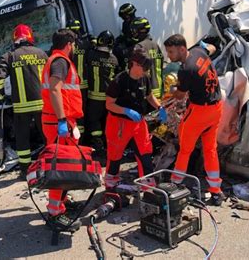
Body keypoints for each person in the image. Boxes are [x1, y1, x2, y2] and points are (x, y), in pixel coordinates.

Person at [163, 34, 225, 206]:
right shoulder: (199, 51)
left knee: (185, 149)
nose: (169, 56)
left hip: (199, 112)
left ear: (182, 49)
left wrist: (171, 91)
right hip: (217, 108)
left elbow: (180, 95)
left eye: (171, 52)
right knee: (210, 149)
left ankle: (175, 184)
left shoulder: (185, 70)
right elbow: (211, 48)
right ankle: (216, 191)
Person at [104, 48, 167, 191]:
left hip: (138, 122)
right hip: (118, 123)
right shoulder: (119, 81)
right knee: (115, 153)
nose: (146, 71)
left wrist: (159, 107)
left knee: (145, 151)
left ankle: (147, 183)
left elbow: (149, 96)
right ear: (135, 64)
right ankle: (111, 181)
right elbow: (109, 104)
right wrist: (126, 111)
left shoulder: (145, 78)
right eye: (144, 68)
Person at [0, 24, 48, 179]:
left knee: (22, 139)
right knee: (48, 136)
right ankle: (52, 166)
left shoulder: (10, 56)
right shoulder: (42, 54)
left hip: (21, 107)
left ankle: (26, 171)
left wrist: (0, 95)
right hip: (43, 104)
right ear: (30, 37)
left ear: (15, 39)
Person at [41, 28, 83, 231]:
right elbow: (55, 89)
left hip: (59, 119)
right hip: (58, 121)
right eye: (73, 44)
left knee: (64, 165)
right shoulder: (60, 61)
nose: (74, 48)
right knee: (61, 166)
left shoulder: (55, 60)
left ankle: (59, 204)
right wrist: (62, 120)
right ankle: (55, 212)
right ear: (69, 44)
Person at [85, 30, 118, 151]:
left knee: (94, 121)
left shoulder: (91, 55)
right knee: (106, 121)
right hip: (109, 97)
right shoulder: (114, 59)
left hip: (94, 96)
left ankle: (97, 144)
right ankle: (107, 143)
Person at [65, 19, 91, 135]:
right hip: (84, 84)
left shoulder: (68, 46)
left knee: (73, 111)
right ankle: (85, 136)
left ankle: (76, 136)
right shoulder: (86, 43)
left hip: (71, 85)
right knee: (83, 110)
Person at [130, 17, 164, 100]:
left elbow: (134, 70)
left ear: (138, 30)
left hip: (146, 92)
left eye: (133, 30)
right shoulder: (156, 45)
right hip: (159, 90)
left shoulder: (138, 47)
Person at [113, 3, 137, 72]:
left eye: (124, 16)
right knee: (116, 49)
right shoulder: (125, 23)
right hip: (127, 45)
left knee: (122, 52)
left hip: (136, 46)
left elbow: (137, 38)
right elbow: (125, 35)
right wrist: (116, 40)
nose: (124, 18)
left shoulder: (137, 23)